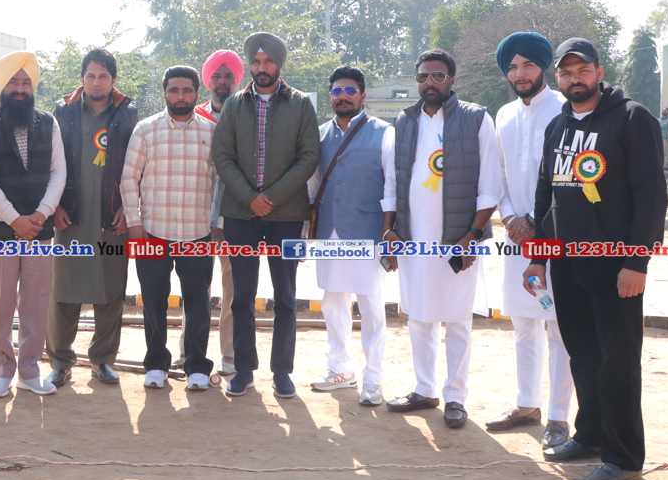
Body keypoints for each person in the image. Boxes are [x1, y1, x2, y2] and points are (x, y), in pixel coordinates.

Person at [525, 37, 666, 480]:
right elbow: (545, 195)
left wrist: (637, 262)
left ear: (599, 72)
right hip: (567, 263)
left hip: (614, 266)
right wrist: (539, 257)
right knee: (582, 354)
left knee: (617, 359)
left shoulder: (633, 118)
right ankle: (589, 436)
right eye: (566, 73)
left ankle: (623, 457)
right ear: (558, 79)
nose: (574, 79)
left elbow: (651, 195)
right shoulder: (557, 126)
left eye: (582, 70)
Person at [383, 49, 501, 430]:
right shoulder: (404, 121)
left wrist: (472, 236)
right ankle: (425, 389)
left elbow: (490, 187)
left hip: (457, 241)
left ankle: (455, 397)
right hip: (413, 238)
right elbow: (392, 182)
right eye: (423, 76)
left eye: (437, 76)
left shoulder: (477, 118)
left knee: (457, 319)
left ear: (452, 80)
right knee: (418, 315)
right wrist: (389, 230)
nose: (429, 83)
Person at [212, 33, 319, 398]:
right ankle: (244, 369)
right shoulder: (234, 105)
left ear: (279, 64)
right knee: (242, 296)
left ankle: (282, 372)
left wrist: (270, 197)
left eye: (268, 61)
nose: (261, 68)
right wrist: (249, 198)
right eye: (256, 62)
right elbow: (222, 156)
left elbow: (308, 157)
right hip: (240, 215)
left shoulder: (300, 104)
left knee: (286, 297)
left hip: (286, 214)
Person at [486, 33, 573, 448]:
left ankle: (558, 417)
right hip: (516, 240)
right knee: (523, 322)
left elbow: (569, 177)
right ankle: (526, 405)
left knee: (559, 328)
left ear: (544, 68)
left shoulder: (565, 109)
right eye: (513, 67)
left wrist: (537, 222)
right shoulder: (504, 114)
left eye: (528, 65)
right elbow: (499, 175)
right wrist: (508, 217)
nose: (520, 74)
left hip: (557, 236)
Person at [0, 52, 66, 398]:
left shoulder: (49, 123)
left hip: (40, 230)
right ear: (2, 86)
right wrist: (14, 219)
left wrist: (40, 215)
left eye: (26, 82)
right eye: (13, 82)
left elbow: (59, 173)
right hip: (0, 231)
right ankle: (1, 370)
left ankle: (29, 371)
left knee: (36, 303)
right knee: (0, 304)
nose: (20, 88)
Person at [45, 49, 137, 388]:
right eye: (90, 76)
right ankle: (60, 361)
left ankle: (102, 360)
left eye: (103, 76)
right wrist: (55, 205)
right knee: (63, 288)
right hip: (71, 214)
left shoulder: (128, 112)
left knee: (110, 286)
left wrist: (128, 208)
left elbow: (135, 165)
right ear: (81, 78)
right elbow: (51, 161)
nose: (96, 82)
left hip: (111, 216)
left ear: (113, 80)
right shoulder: (64, 110)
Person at [120, 66, 216, 392]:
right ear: (165, 93)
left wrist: (217, 223)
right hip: (151, 231)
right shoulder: (146, 130)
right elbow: (129, 178)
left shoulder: (211, 132)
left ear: (196, 95)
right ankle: (156, 365)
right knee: (153, 302)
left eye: (187, 90)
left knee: (198, 303)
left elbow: (222, 179)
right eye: (174, 90)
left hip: (197, 231)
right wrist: (134, 222)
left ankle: (197, 367)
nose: (180, 96)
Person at [306, 67, 395, 406]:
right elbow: (312, 185)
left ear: (363, 96)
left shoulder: (384, 133)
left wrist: (389, 232)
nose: (343, 96)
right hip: (329, 231)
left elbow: (392, 186)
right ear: (330, 96)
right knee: (333, 302)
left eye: (350, 91)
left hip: (368, 232)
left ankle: (373, 380)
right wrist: (308, 231)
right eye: (337, 91)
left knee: (371, 307)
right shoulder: (318, 135)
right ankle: (340, 370)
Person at [172, 49, 244, 377]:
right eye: (217, 76)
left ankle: (230, 354)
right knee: (195, 287)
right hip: (197, 214)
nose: (222, 81)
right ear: (208, 81)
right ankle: (188, 350)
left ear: (237, 80)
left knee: (234, 289)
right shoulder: (193, 116)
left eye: (229, 76)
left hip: (234, 214)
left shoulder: (246, 113)